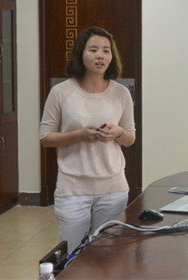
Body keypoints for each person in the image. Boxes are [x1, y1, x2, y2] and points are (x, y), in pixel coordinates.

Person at [39, 26, 136, 255]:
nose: (100, 56)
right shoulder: (61, 92)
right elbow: (45, 138)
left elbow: (130, 138)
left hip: (113, 187)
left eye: (106, 51)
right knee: (73, 256)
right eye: (93, 50)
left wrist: (117, 133)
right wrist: (79, 135)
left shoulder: (121, 93)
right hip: (73, 188)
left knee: (109, 256)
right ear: (81, 54)